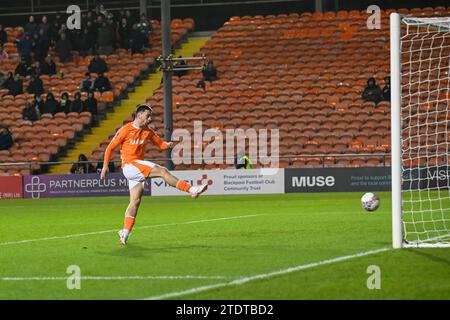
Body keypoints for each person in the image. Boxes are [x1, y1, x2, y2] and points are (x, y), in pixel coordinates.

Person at [100, 104, 208, 245]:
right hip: (130, 165)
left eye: (151, 116)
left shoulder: (148, 131)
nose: (150, 119)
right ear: (139, 115)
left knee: (135, 201)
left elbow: (160, 144)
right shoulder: (125, 130)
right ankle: (191, 190)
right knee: (162, 170)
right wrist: (105, 166)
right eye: (147, 116)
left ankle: (124, 233)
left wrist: (168, 145)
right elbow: (110, 148)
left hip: (136, 168)